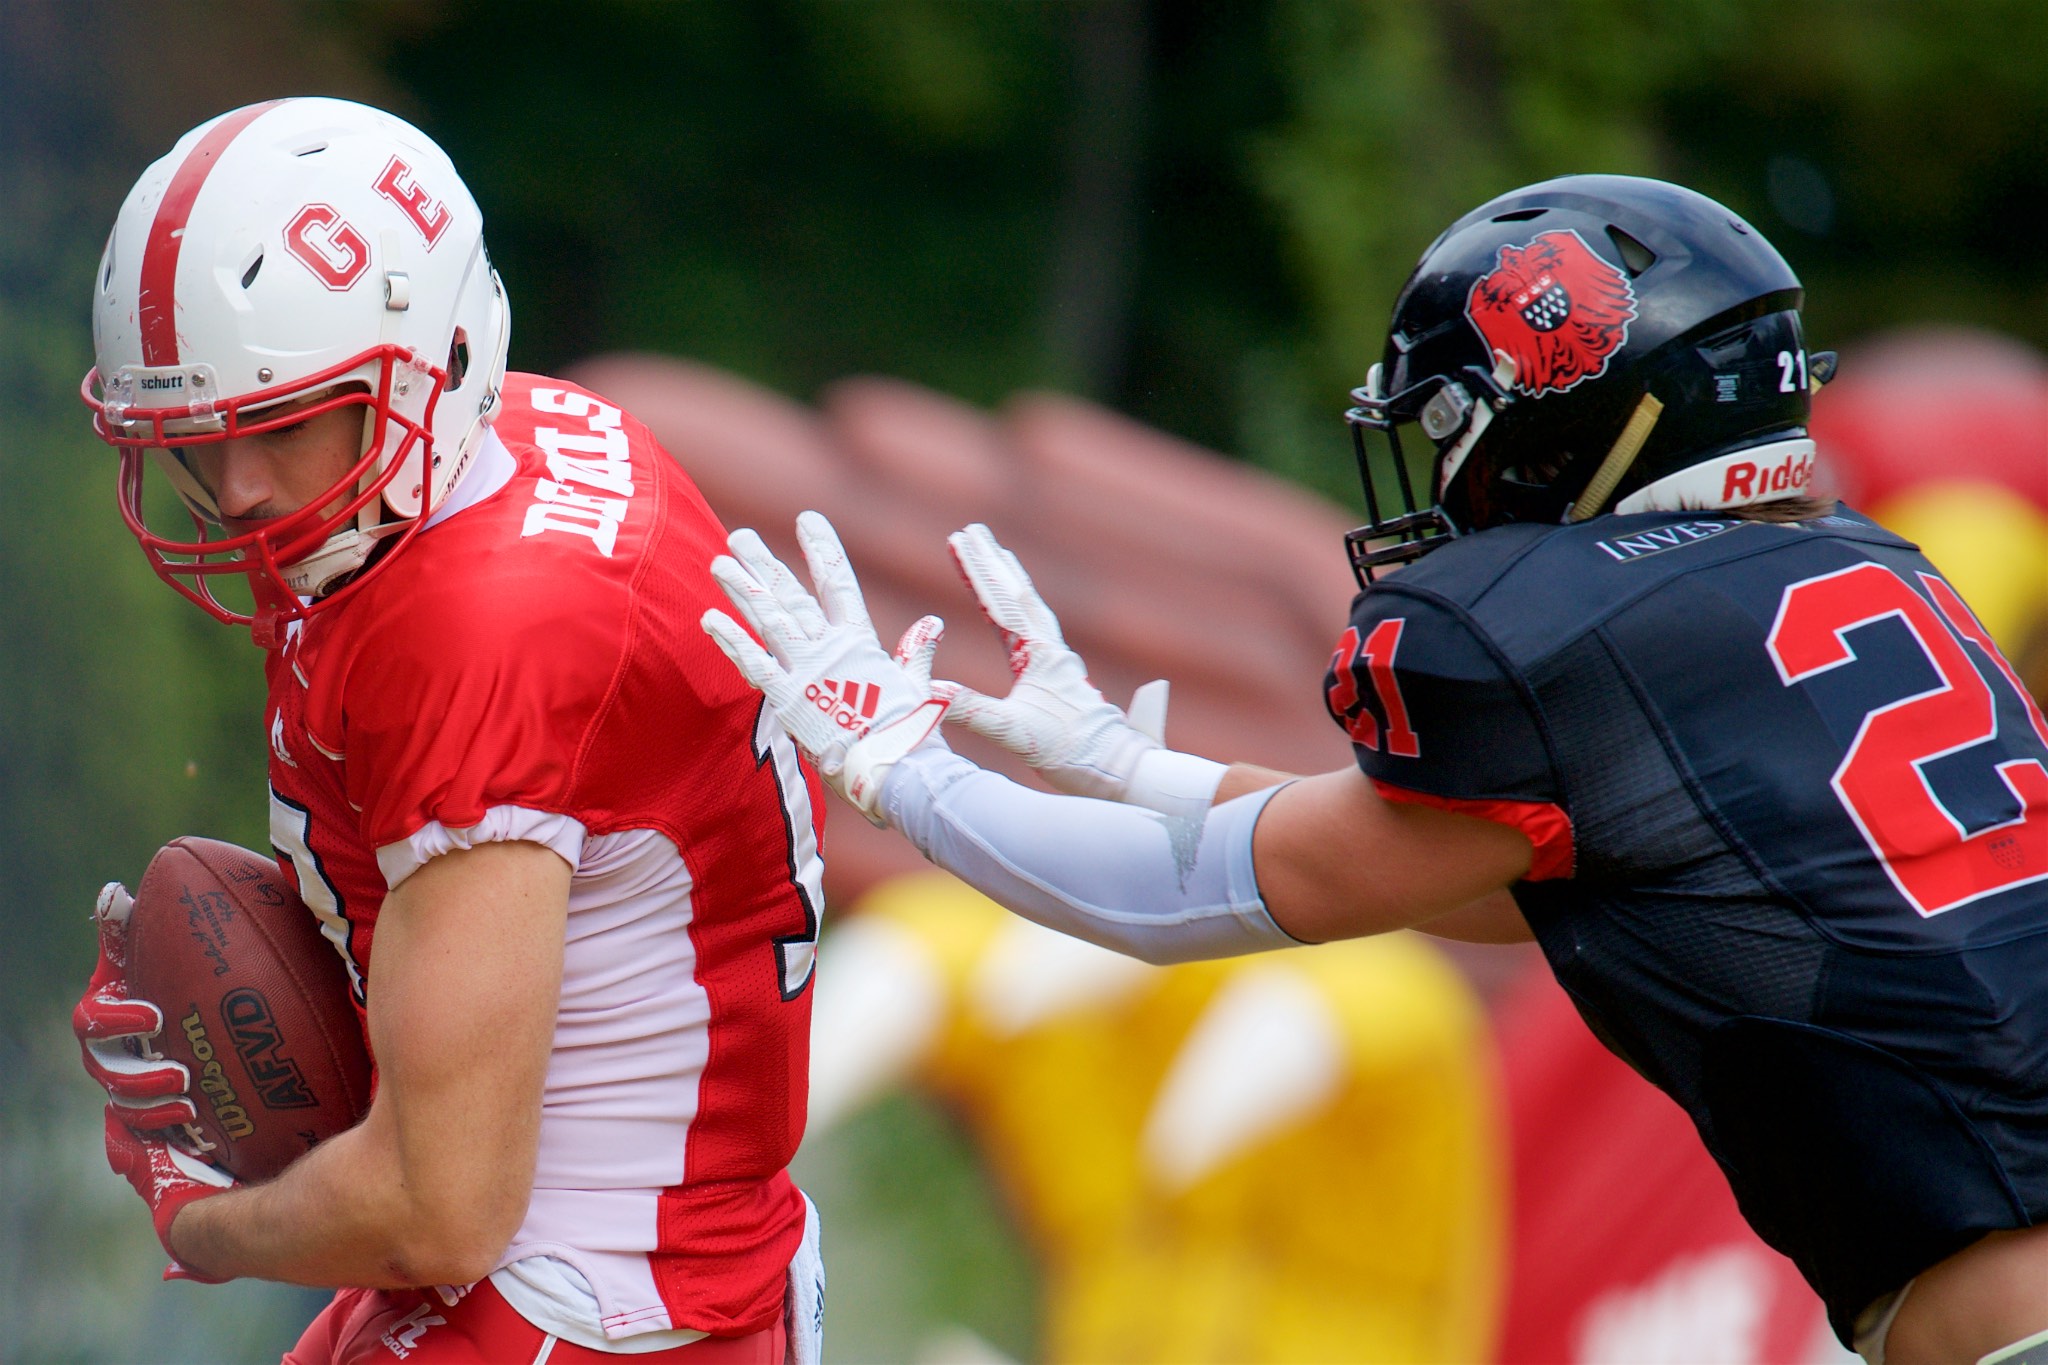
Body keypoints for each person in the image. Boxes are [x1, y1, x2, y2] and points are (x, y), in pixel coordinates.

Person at [702, 175, 2048, 1364]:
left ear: (1577, 418)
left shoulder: (1591, 636)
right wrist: (1142, 768)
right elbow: (1437, 873)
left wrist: (904, 771)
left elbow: (1194, 902)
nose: (1445, 469)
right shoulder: (1866, 574)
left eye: (1456, 421)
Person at [73, 97, 825, 1363]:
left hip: (580, 1298)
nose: (237, 487)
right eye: (194, 437)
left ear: (434, 358)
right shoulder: (511, 437)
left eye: (275, 422)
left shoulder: (479, 631)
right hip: (610, 1253)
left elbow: (439, 1208)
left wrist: (199, 1215)